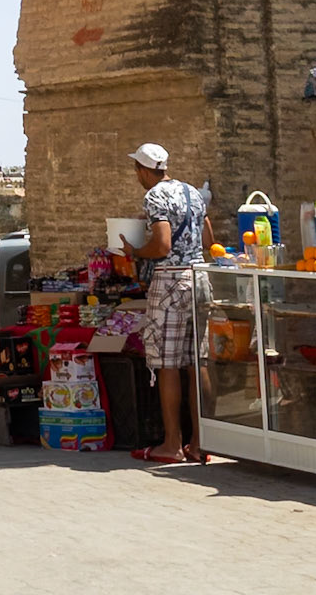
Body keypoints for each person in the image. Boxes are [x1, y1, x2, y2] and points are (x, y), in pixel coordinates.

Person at [119, 141, 211, 464]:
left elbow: (161, 245)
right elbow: (208, 240)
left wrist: (134, 251)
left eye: (137, 170)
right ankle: (201, 443)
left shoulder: (155, 196)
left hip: (171, 280)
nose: (137, 176)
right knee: (196, 362)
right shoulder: (193, 193)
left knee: (167, 363)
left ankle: (172, 444)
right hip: (199, 279)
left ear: (145, 171)